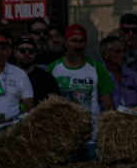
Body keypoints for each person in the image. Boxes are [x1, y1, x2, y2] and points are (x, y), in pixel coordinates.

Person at [49, 23, 114, 154]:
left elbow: (108, 104)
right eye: (74, 41)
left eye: (81, 41)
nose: (78, 45)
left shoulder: (97, 68)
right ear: (65, 42)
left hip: (92, 137)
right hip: (63, 137)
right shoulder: (53, 68)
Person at [100, 32, 137, 108]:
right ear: (106, 55)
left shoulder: (132, 76)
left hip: (133, 118)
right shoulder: (96, 76)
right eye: (118, 51)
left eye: (124, 51)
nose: (123, 55)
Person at [12, 35, 60, 103]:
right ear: (14, 52)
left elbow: (56, 104)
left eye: (31, 51)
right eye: (22, 50)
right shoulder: (6, 75)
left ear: (35, 53)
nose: (27, 53)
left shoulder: (47, 79)